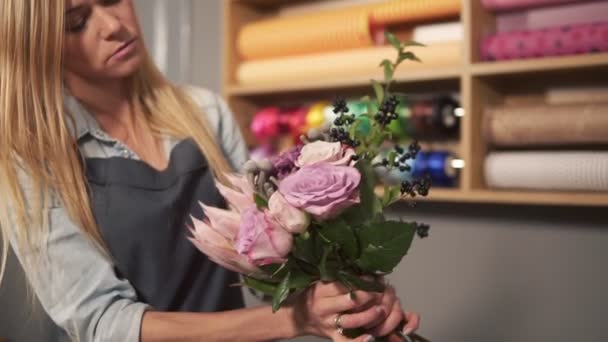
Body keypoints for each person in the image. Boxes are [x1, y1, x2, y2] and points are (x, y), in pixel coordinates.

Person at [0, 1, 420, 341]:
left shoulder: (206, 114)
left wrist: (350, 303)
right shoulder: (33, 158)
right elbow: (104, 324)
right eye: (76, 21)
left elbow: (267, 272)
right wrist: (296, 321)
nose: (113, 24)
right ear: (38, 45)